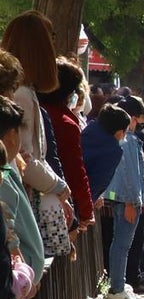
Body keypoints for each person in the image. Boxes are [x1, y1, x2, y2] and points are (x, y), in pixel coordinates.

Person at [0, 11, 72, 234]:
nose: (54, 44)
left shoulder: (25, 91)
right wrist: (58, 186)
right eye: (50, 36)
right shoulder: (21, 94)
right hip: (19, 199)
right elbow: (24, 156)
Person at [103, 96, 144, 299]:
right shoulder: (128, 140)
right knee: (122, 244)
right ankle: (117, 287)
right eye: (142, 115)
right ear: (133, 118)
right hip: (128, 200)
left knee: (120, 244)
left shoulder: (127, 139)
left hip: (125, 198)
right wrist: (129, 202)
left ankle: (119, 284)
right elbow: (129, 174)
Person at [38, 58, 96, 235]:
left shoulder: (37, 108)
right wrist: (86, 211)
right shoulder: (65, 123)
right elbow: (75, 170)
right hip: (57, 204)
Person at [0, 98, 45, 296]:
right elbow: (10, 236)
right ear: (11, 135)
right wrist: (24, 279)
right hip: (17, 283)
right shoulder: (3, 179)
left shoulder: (9, 170)